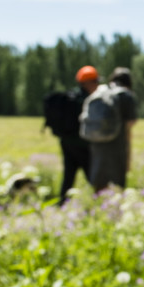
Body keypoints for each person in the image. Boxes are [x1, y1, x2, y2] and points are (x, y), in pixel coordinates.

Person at [87, 67, 139, 193]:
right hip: (118, 144)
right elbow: (129, 126)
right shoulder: (126, 95)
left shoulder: (100, 91)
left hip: (97, 142)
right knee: (117, 183)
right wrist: (128, 156)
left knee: (99, 180)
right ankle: (115, 209)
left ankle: (97, 207)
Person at [56, 66, 98, 202]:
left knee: (69, 175)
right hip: (82, 144)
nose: (97, 84)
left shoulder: (70, 96)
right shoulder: (88, 100)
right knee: (92, 175)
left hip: (66, 142)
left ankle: (62, 202)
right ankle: (101, 203)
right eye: (95, 81)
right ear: (87, 83)